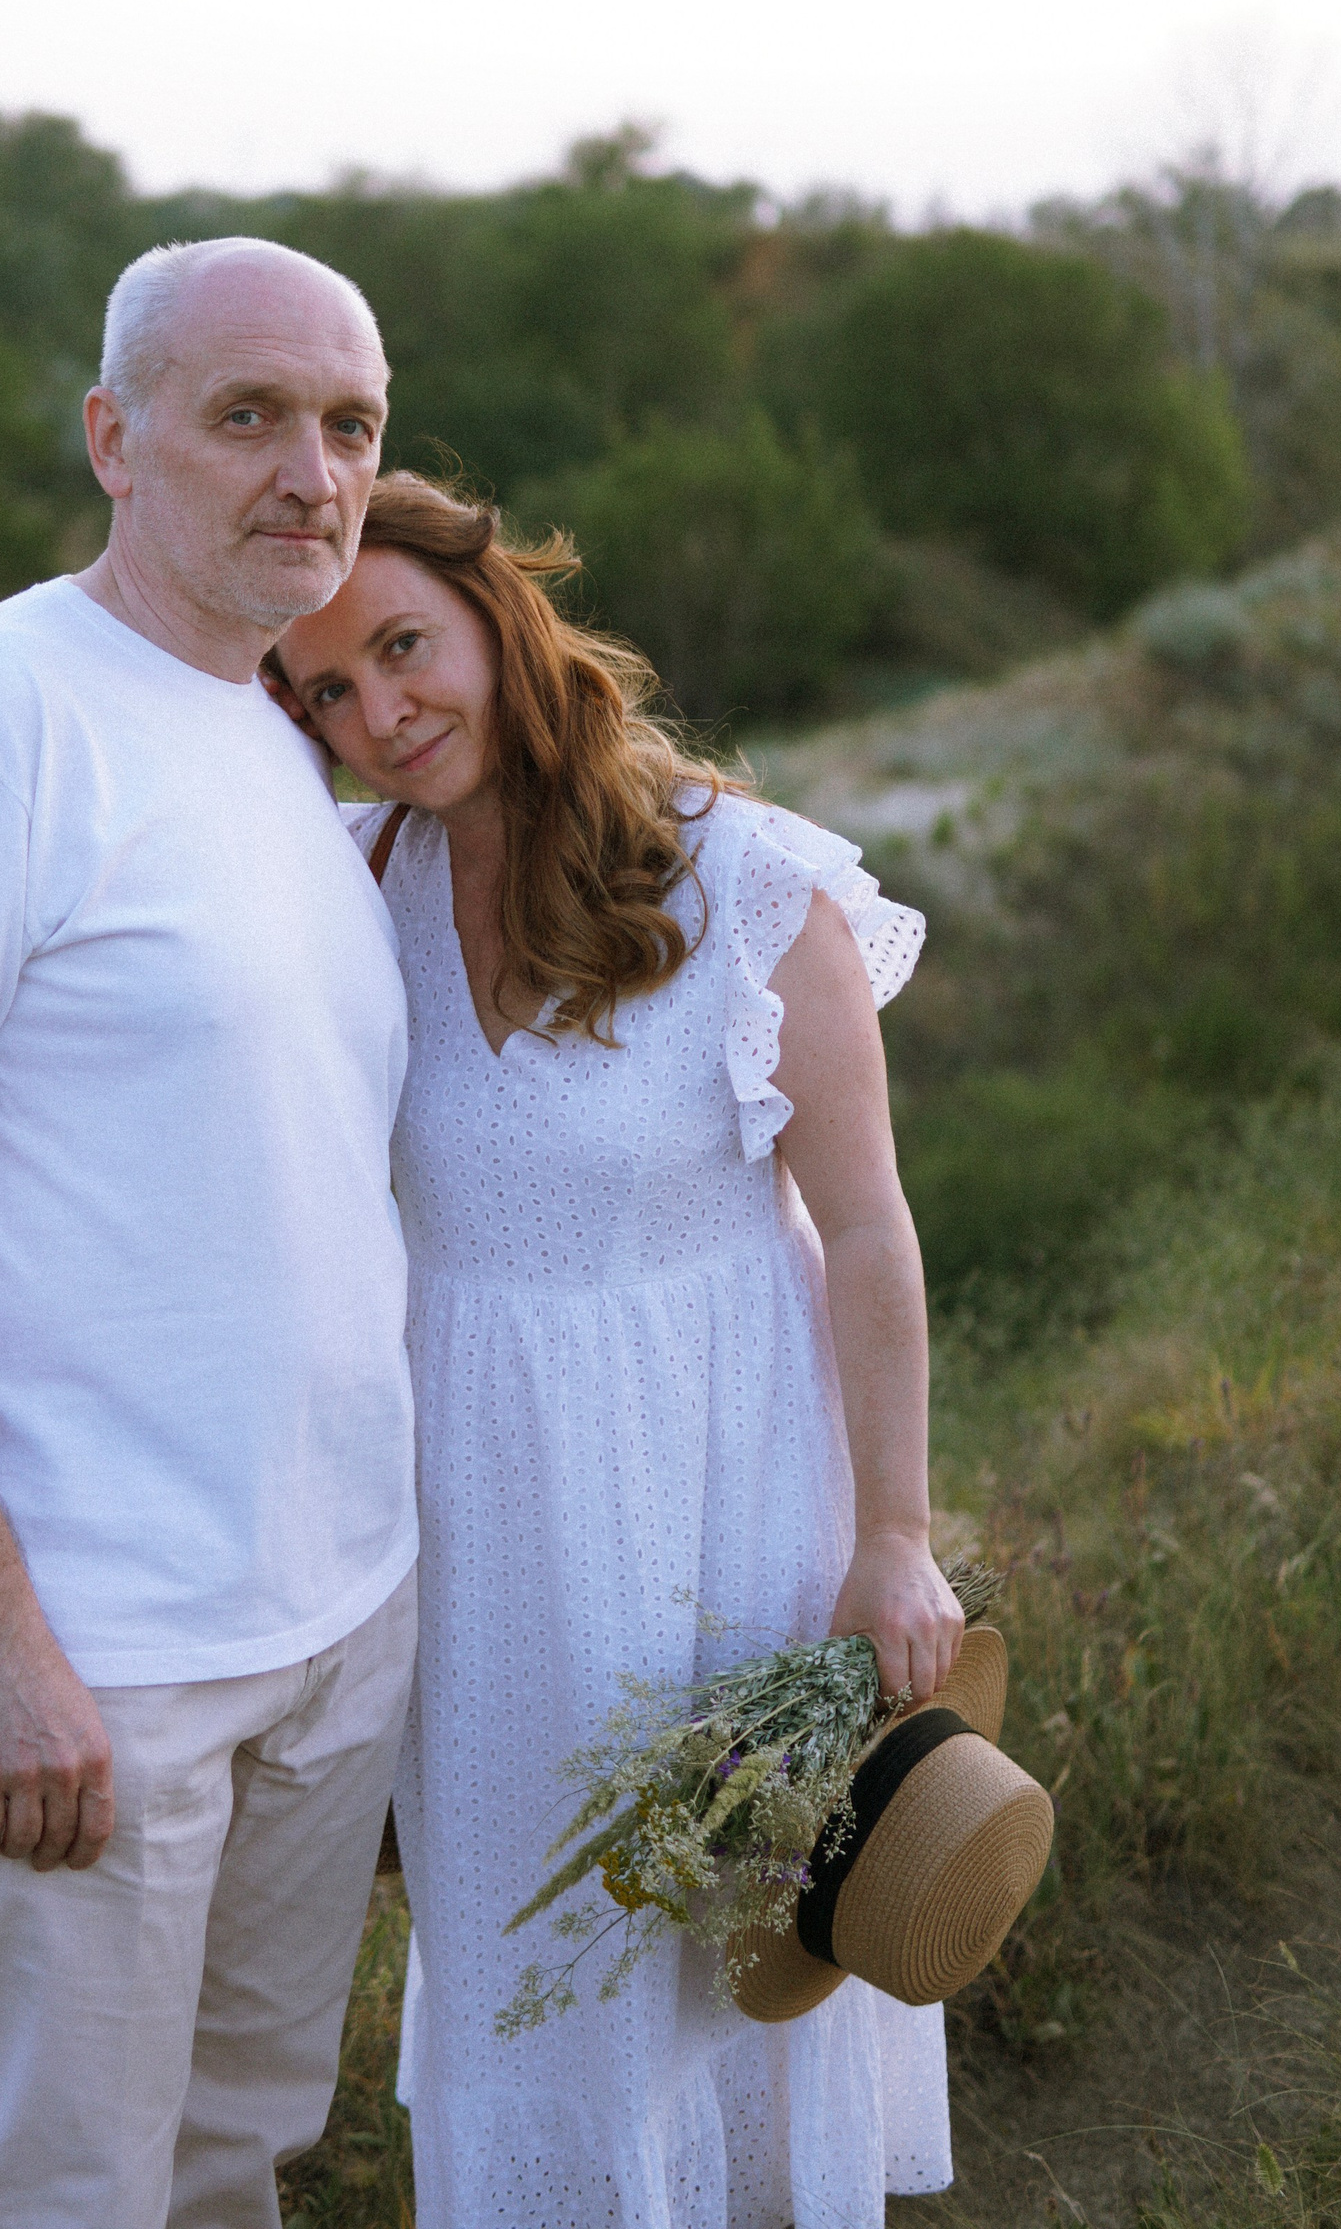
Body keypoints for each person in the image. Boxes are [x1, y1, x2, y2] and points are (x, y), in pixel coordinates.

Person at [0, 238, 419, 2229]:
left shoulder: (279, 732)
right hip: (92, 1663)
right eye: (250, 416)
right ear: (114, 439)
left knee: (235, 2165)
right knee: (60, 2197)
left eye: (351, 426)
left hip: (327, 1625)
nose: (311, 472)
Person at [268, 471, 966, 2229]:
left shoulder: (747, 877)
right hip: (480, 1526)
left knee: (736, 1921)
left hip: (736, 1485)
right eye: (326, 691)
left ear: (497, 616)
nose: (379, 714)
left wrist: (896, 1534)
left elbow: (867, 1228)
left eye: (403, 647)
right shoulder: (353, 887)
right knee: (537, 1933)